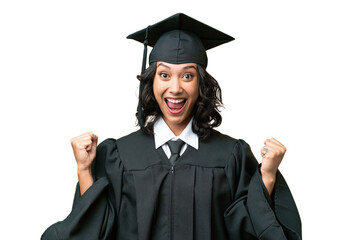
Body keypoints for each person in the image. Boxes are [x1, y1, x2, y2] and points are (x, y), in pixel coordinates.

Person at [42, 13, 301, 240]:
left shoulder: (231, 155)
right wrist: (85, 169)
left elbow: (250, 230)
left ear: (201, 84)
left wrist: (267, 175)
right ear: (151, 82)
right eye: (164, 75)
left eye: (187, 76)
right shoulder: (119, 155)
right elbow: (95, 230)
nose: (175, 88)